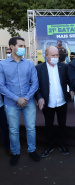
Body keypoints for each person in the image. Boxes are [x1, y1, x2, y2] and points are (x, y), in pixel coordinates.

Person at [0, 37, 40, 166]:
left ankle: (32, 150)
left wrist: (26, 98)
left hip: (28, 103)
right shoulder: (2, 64)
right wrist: (17, 99)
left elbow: (35, 83)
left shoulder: (29, 64)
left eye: (24, 46)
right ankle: (15, 153)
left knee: (31, 129)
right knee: (13, 130)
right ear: (12, 46)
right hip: (11, 104)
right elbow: (1, 86)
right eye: (20, 45)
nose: (23, 48)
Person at [35, 46, 74, 158]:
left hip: (61, 101)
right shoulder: (39, 68)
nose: (56, 57)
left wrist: (71, 90)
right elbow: (35, 86)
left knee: (62, 124)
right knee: (49, 124)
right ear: (46, 55)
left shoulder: (63, 66)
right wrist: (39, 98)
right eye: (53, 55)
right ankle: (49, 145)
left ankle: (62, 144)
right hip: (47, 102)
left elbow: (70, 80)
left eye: (57, 55)